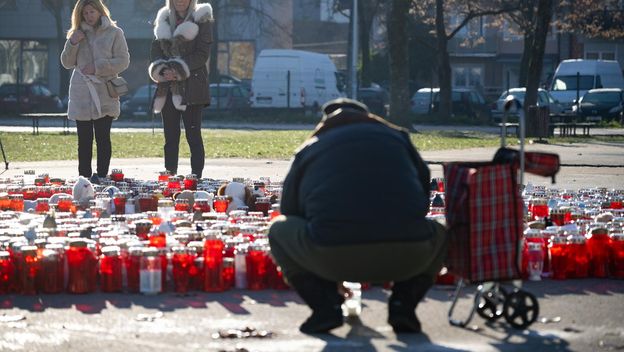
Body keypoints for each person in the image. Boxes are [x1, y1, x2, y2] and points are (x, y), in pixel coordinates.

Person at [268, 98, 448, 334]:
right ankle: (403, 305)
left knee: (278, 230)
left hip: (331, 255)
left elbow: (290, 210)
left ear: (325, 122)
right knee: (442, 231)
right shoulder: (399, 138)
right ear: (369, 117)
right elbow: (424, 198)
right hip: (408, 254)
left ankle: (325, 306)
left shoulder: (311, 147)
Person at [61, 0, 130, 183]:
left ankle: (101, 175)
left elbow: (123, 61)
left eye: (92, 12)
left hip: (104, 92)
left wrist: (98, 67)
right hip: (81, 92)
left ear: (100, 11)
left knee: (103, 137)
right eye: (85, 13)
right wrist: (72, 43)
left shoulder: (115, 33)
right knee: (83, 140)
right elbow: (67, 63)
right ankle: (83, 179)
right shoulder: (77, 35)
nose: (89, 16)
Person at [148, 0, 213, 178]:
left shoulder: (202, 19)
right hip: (168, 86)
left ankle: (196, 177)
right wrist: (162, 70)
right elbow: (156, 49)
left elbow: (202, 54)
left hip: (192, 85)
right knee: (170, 136)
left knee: (193, 135)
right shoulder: (163, 19)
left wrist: (178, 70)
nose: (180, 1)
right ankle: (170, 175)